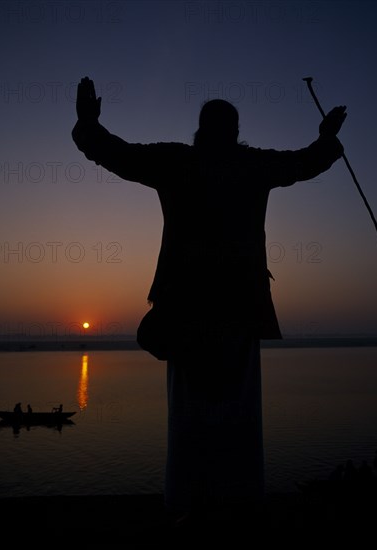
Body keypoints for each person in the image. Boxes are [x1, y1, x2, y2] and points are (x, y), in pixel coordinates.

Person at [72, 77, 346, 526]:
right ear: (235, 131)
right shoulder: (248, 165)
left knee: (191, 411)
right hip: (235, 306)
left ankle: (189, 504)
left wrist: (87, 124)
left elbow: (117, 154)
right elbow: (303, 164)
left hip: (187, 308)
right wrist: (326, 139)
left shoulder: (179, 161)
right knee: (235, 411)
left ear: (202, 128)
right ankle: (234, 503)